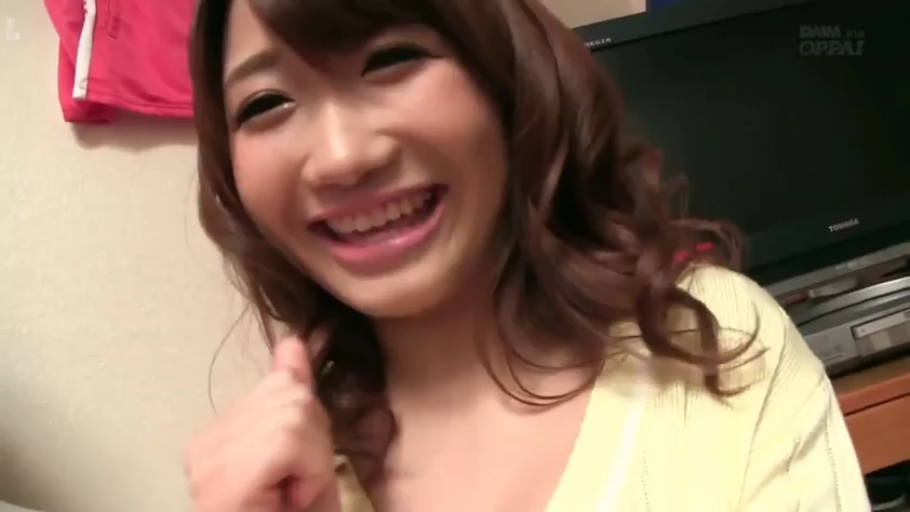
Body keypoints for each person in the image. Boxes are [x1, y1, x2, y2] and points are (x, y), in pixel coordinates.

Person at [182, 0, 870, 511]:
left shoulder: (716, 341)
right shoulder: (280, 482)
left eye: (390, 59)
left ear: (505, 76)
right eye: (265, 103)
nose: (341, 157)